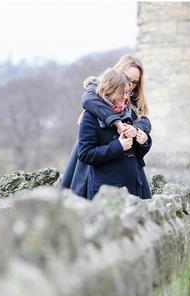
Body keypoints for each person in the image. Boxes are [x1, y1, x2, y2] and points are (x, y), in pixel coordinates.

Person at [61, 55, 151, 197]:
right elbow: (88, 100)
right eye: (128, 79)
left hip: (127, 175)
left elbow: (144, 120)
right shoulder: (95, 92)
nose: (131, 86)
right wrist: (117, 122)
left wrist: (139, 132)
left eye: (134, 82)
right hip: (97, 169)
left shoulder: (129, 99)